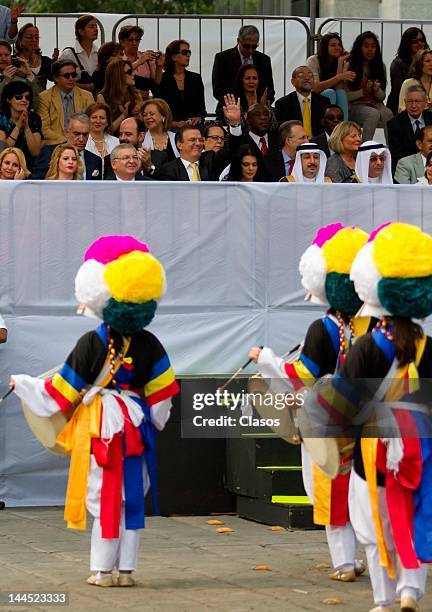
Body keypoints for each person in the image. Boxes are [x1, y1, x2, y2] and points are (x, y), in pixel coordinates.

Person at [10, 234, 179, 587]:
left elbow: (60, 393)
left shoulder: (93, 342)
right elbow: (162, 395)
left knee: (104, 492)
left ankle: (102, 570)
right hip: (134, 422)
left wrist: (23, 384)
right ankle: (127, 570)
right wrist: (154, 422)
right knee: (132, 492)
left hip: (102, 423)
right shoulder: (151, 343)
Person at [249, 223, 373, 584]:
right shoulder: (372, 325)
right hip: (365, 418)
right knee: (361, 489)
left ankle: (345, 563)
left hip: (326, 418)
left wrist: (266, 359)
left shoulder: (322, 329)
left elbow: (300, 376)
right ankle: (372, 555)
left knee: (327, 485)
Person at [320, 222, 432, 612]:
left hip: (374, 450)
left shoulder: (366, 346)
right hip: (421, 447)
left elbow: (343, 404)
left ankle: (385, 598)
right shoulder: (427, 346)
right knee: (415, 515)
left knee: (373, 524)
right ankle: (410, 589)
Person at [155, 94, 242, 181]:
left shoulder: (210, 160)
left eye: (200, 140)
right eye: (192, 140)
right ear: (179, 144)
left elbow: (231, 149)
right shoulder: (168, 170)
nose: (198, 143)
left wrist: (235, 124)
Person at [346, 32, 393, 142]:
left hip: (375, 103)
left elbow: (382, 97)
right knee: (373, 114)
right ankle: (365, 148)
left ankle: (392, 150)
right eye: (366, 46)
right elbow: (346, 96)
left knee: (388, 113)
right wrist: (363, 92)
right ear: (359, 48)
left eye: (373, 46)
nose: (370, 49)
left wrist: (377, 91)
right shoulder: (349, 66)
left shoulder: (381, 66)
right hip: (355, 105)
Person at [212, 24, 274, 106]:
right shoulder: (223, 58)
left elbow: (269, 89)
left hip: (257, 108)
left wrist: (259, 103)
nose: (250, 50)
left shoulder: (264, 60)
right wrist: (238, 104)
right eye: (247, 46)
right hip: (231, 107)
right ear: (238, 41)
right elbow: (218, 89)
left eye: (254, 46)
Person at [37, 60, 94, 146]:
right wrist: (67, 140)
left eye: (74, 75)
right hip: (57, 144)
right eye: (67, 76)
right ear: (56, 78)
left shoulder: (87, 96)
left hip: (83, 142)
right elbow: (44, 128)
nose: (71, 78)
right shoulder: (44, 98)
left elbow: (92, 123)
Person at [32, 113, 102, 180]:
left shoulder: (95, 160)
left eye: (85, 134)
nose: (81, 139)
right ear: (66, 132)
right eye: (76, 134)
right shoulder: (49, 153)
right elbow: (36, 183)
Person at [158, 39, 206, 129]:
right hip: (170, 128)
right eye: (184, 52)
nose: (188, 55)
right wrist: (174, 124)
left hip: (193, 127)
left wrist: (198, 118)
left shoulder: (196, 78)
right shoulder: (163, 79)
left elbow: (202, 109)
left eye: (189, 52)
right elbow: (159, 109)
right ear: (174, 57)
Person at [306, 33, 355, 120]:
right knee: (330, 92)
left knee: (341, 93)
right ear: (325, 47)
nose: (337, 48)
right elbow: (315, 88)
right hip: (314, 99)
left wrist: (340, 62)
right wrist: (338, 77)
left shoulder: (341, 61)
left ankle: (343, 128)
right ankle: (326, 125)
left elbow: (339, 88)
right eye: (333, 45)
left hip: (333, 97)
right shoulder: (313, 60)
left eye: (339, 45)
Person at [275, 66, 330, 137]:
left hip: (319, 144)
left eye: (310, 75)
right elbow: (283, 131)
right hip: (295, 144)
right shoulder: (283, 103)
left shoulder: (324, 101)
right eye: (301, 75)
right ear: (293, 82)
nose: (307, 78)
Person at [387, 85, 432, 172]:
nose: (413, 105)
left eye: (417, 101)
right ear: (405, 102)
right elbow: (397, 154)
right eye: (409, 101)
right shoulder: (394, 124)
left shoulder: (431, 118)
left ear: (425, 103)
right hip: (407, 168)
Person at [0, 80, 42, 171]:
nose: (24, 100)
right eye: (19, 97)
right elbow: (3, 150)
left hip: (28, 165)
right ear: (8, 99)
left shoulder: (34, 118)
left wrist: (26, 127)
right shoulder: (1, 119)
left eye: (27, 97)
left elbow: (35, 152)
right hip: (6, 166)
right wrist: (18, 126)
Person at [387, 27, 429, 115]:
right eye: (415, 41)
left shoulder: (429, 62)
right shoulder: (397, 64)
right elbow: (399, 91)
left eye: (422, 40)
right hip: (401, 105)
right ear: (407, 43)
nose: (420, 43)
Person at [97, 59, 140, 136]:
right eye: (129, 72)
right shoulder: (103, 97)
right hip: (112, 140)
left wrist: (138, 114)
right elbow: (106, 130)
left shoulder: (135, 94)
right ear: (119, 75)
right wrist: (123, 115)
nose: (133, 74)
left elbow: (141, 124)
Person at [119, 24, 163, 97]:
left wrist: (159, 66)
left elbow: (157, 83)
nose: (134, 43)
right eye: (130, 40)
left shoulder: (147, 60)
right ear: (122, 42)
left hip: (144, 101)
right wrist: (139, 62)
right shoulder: (118, 59)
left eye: (137, 40)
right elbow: (117, 75)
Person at [59, 15, 99, 93]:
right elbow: (60, 80)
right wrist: (85, 87)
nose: (96, 29)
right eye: (91, 27)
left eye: (96, 26)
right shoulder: (68, 54)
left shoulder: (98, 53)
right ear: (81, 31)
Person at [15, 23, 57, 93]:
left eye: (36, 37)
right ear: (20, 40)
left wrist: (55, 64)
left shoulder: (45, 61)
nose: (34, 40)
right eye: (29, 37)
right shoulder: (14, 61)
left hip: (42, 101)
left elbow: (55, 79)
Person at [141, 98, 178, 168]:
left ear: (163, 116)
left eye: (151, 114)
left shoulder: (176, 137)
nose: (148, 117)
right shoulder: (141, 139)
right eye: (145, 115)